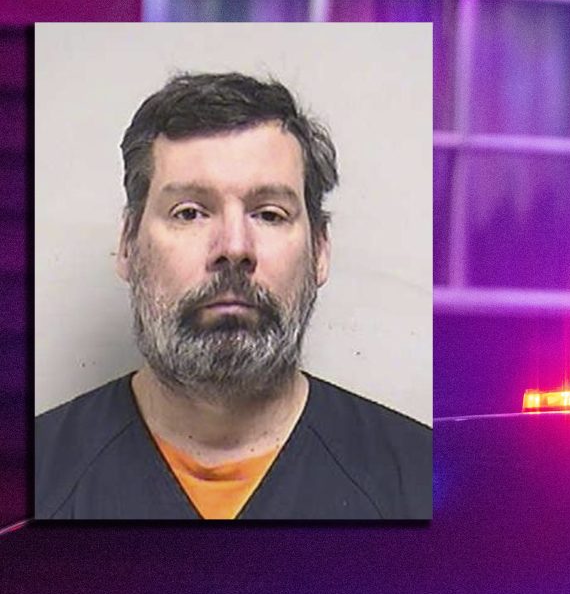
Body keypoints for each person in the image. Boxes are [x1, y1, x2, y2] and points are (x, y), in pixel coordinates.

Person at [34, 72, 432, 520]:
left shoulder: (421, 483)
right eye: (189, 213)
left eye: (269, 214)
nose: (234, 247)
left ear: (320, 250)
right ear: (128, 244)